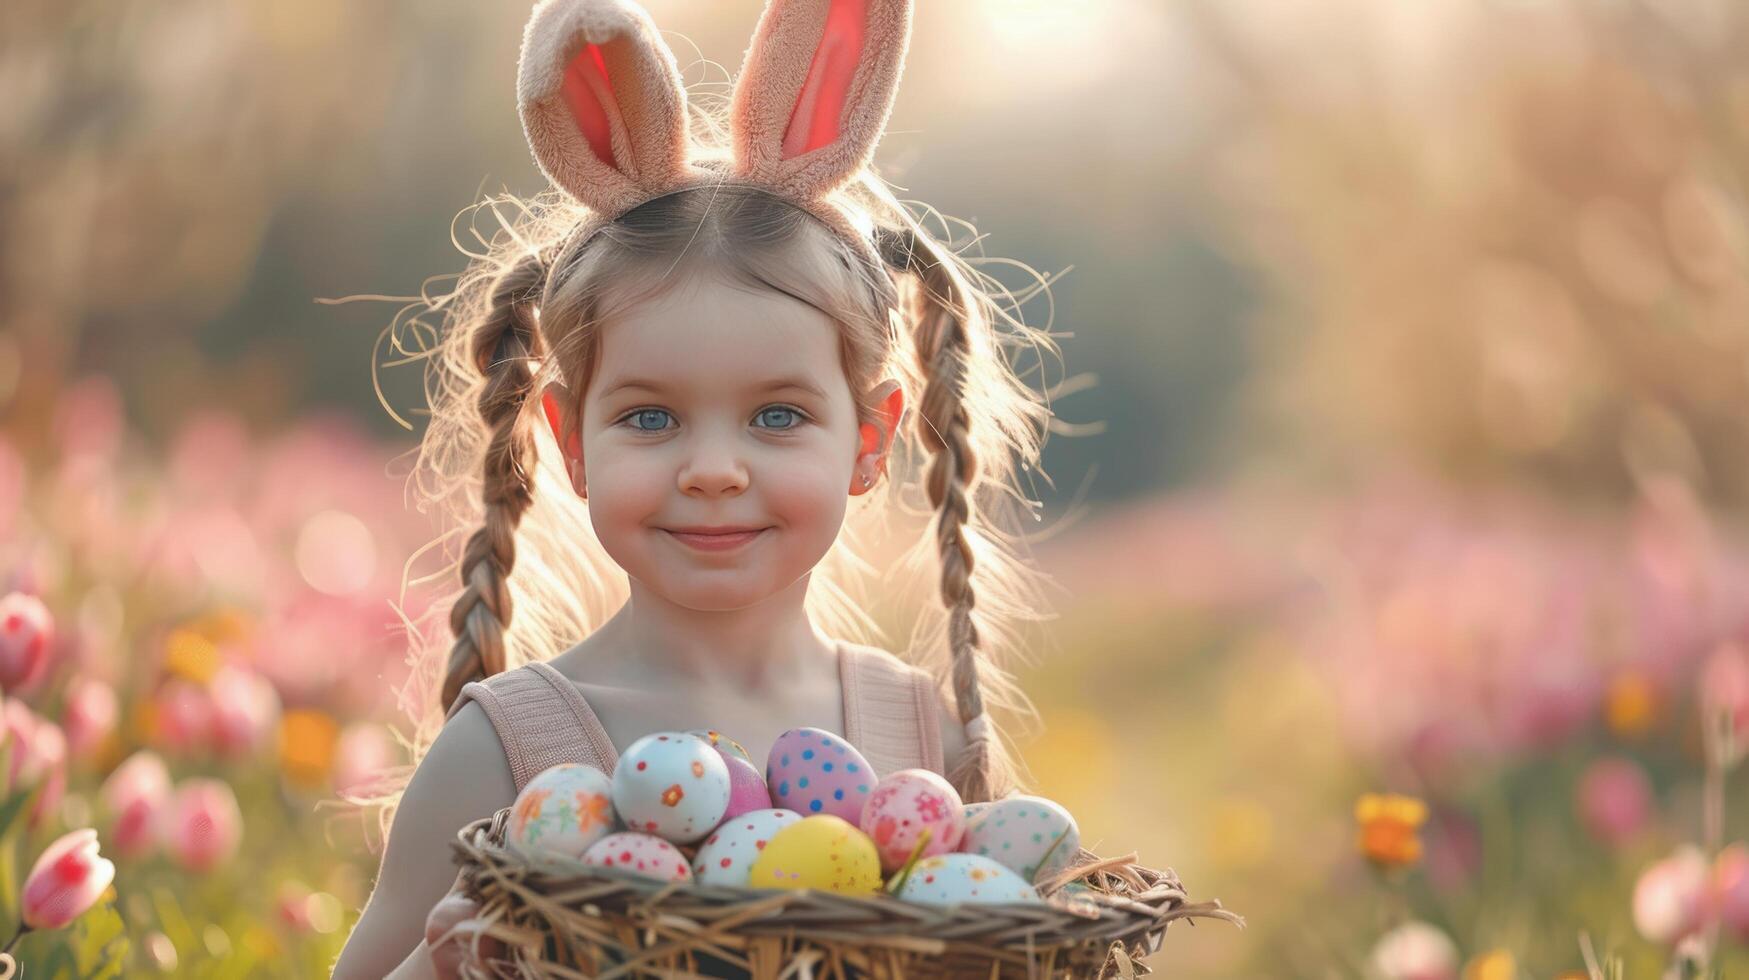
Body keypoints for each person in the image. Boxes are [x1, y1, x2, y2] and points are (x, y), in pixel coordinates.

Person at [331, 0, 1067, 974]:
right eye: (649, 416)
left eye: (776, 415)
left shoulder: (915, 737)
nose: (713, 468)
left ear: (871, 438)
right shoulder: (504, 755)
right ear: (571, 441)